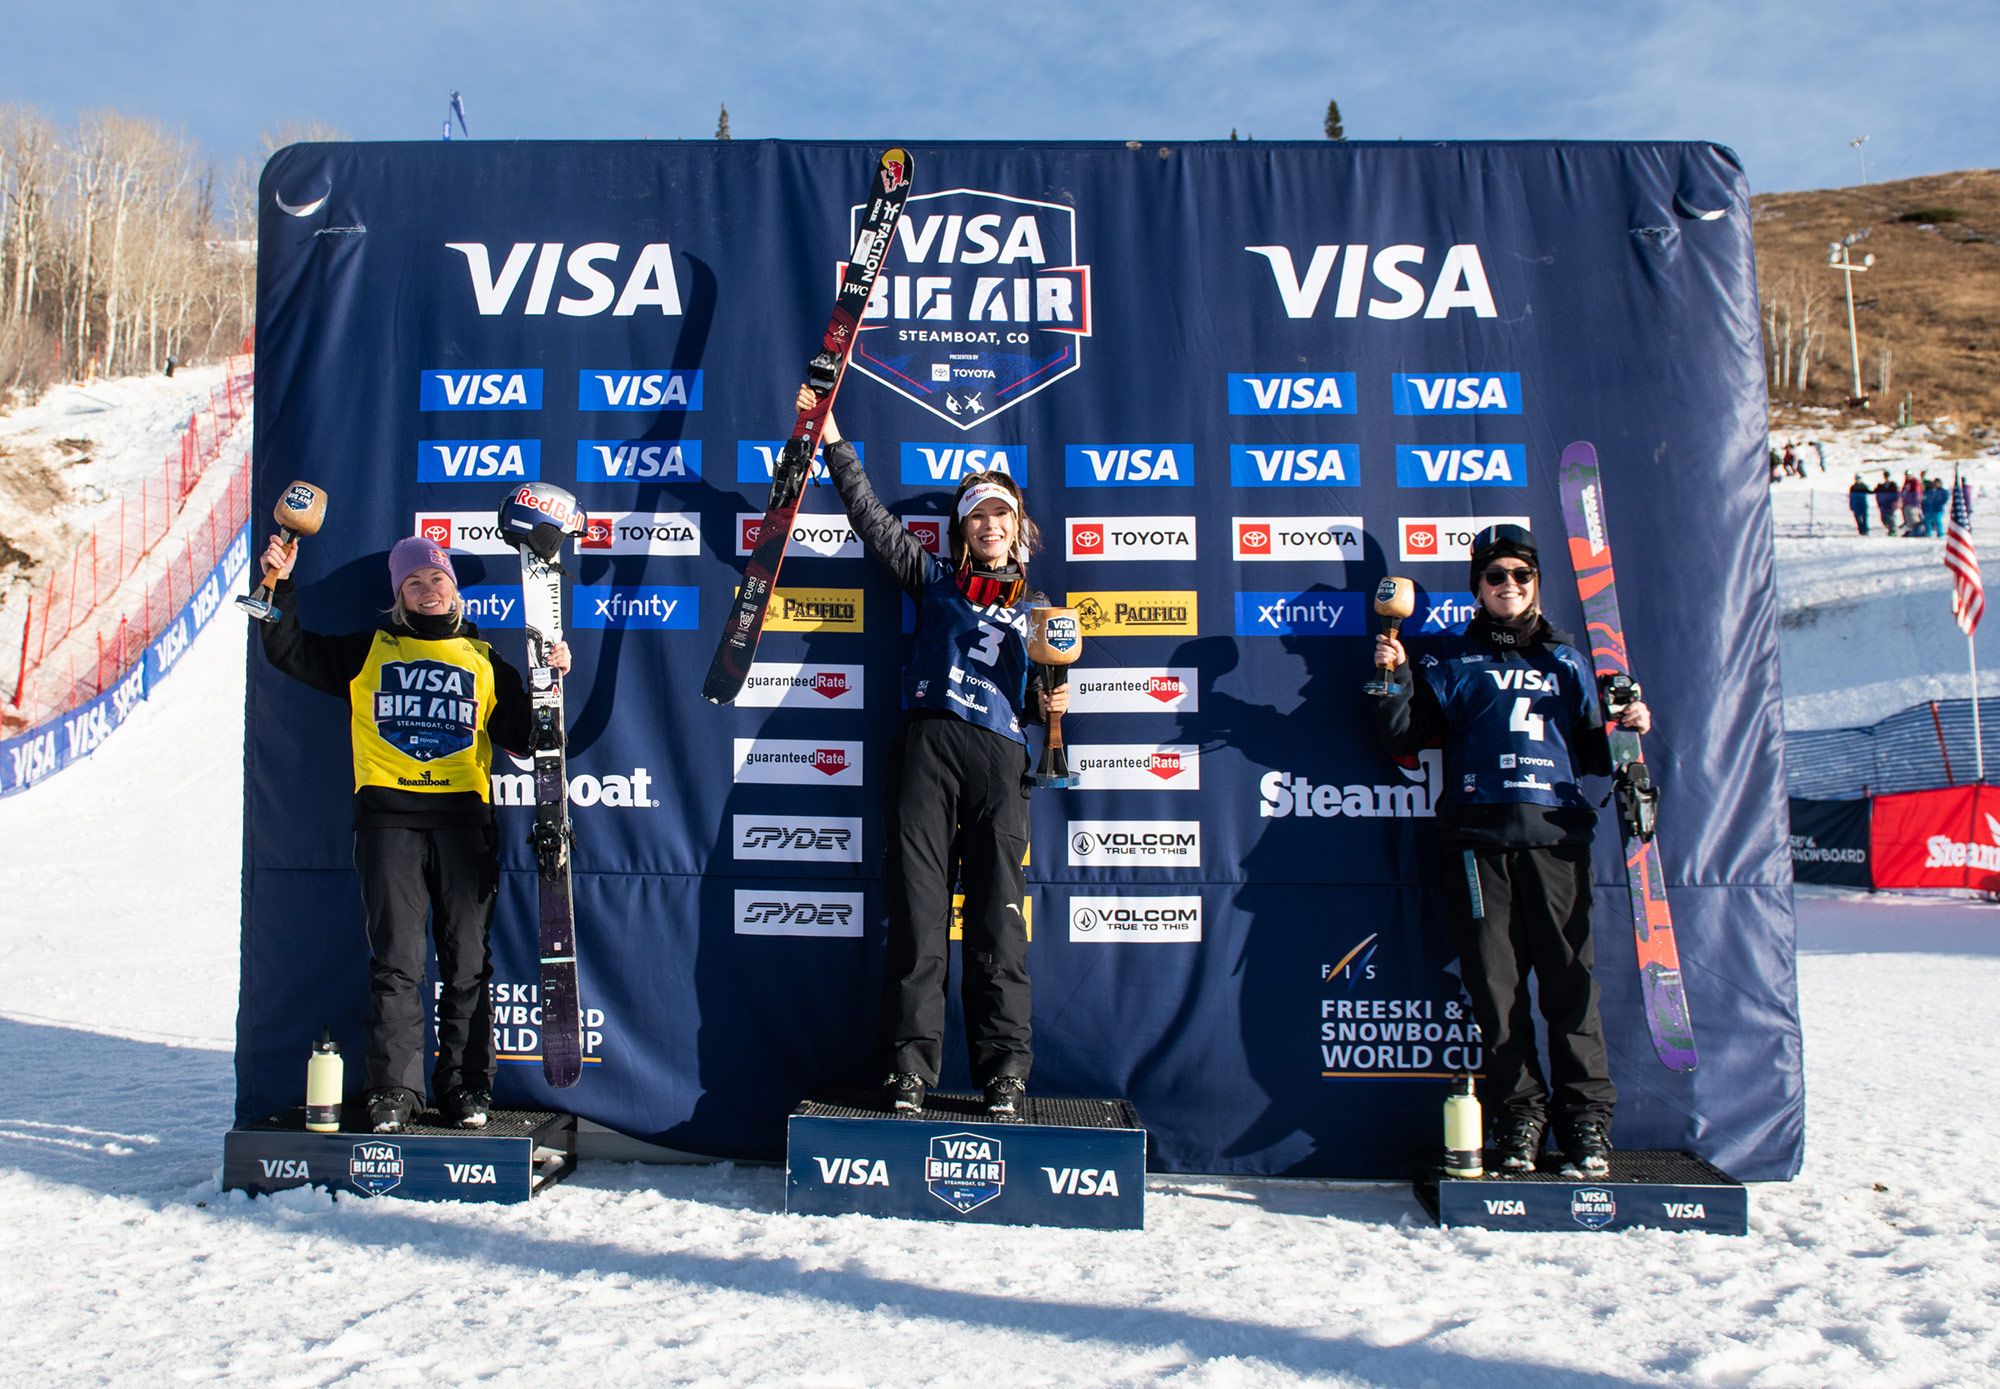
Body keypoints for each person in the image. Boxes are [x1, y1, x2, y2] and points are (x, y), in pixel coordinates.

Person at [805, 386, 1066, 1118]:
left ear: (1020, 531)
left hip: (1002, 764)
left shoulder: (1043, 615)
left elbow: (1050, 705)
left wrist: (1054, 707)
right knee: (920, 922)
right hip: (927, 748)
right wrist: (832, 440)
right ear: (961, 530)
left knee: (997, 926)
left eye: (1000, 515)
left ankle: (1004, 1074)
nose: (988, 525)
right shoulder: (936, 580)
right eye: (977, 514)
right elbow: (873, 521)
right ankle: (909, 1072)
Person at [259, 533, 570, 1133]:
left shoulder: (484, 661)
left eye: (438, 580)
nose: (429, 591)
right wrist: (277, 583)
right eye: (414, 583)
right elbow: (286, 650)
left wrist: (551, 683)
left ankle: (467, 1087)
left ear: (454, 589)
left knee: (468, 962)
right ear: (398, 597)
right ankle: (393, 1092)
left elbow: (531, 740)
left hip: (464, 823)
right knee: (398, 963)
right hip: (389, 823)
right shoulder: (368, 650)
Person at [1372, 524, 1651, 1177]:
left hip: (1556, 838)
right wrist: (1391, 679)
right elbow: (1402, 738)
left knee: (1570, 987)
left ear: (1536, 585)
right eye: (1496, 577)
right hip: (1477, 843)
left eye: (1521, 577)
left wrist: (1628, 727)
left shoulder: (1569, 660)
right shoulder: (1447, 658)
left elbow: (1592, 753)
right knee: (1496, 993)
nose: (1509, 587)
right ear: (1477, 586)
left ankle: (1586, 1124)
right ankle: (1520, 1115)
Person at [1901, 472, 1923, 536]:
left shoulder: (1915, 482)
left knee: (1913, 517)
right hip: (1906, 503)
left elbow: (1917, 492)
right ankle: (1911, 531)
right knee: (1908, 519)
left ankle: (1918, 531)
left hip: (1913, 503)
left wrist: (1916, 501)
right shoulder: (1906, 482)